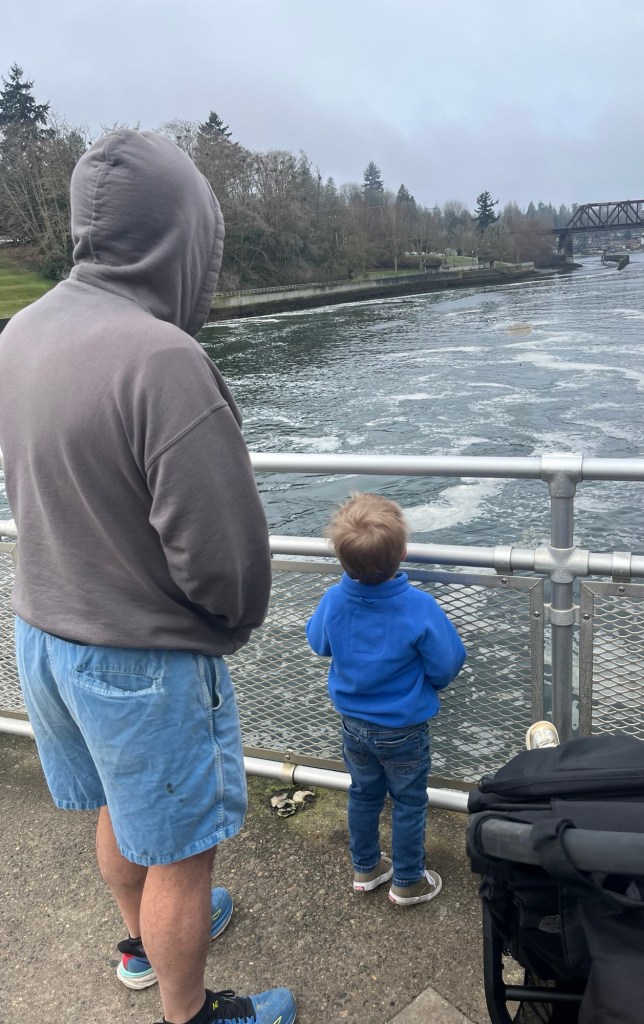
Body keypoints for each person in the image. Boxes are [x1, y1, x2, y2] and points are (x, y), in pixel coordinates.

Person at [0, 131, 296, 1024]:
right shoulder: (162, 359)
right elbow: (225, 560)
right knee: (181, 855)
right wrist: (229, 625)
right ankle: (190, 1012)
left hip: (43, 633)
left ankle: (140, 946)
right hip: (138, 658)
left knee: (117, 807)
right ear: (183, 235)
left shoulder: (21, 333)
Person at [306, 492, 466, 906]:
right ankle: (408, 880)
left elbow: (318, 643)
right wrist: (429, 685)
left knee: (363, 793)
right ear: (402, 553)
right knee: (409, 801)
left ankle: (366, 868)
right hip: (403, 728)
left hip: (353, 724)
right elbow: (448, 662)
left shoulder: (335, 599)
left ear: (342, 559)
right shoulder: (418, 605)